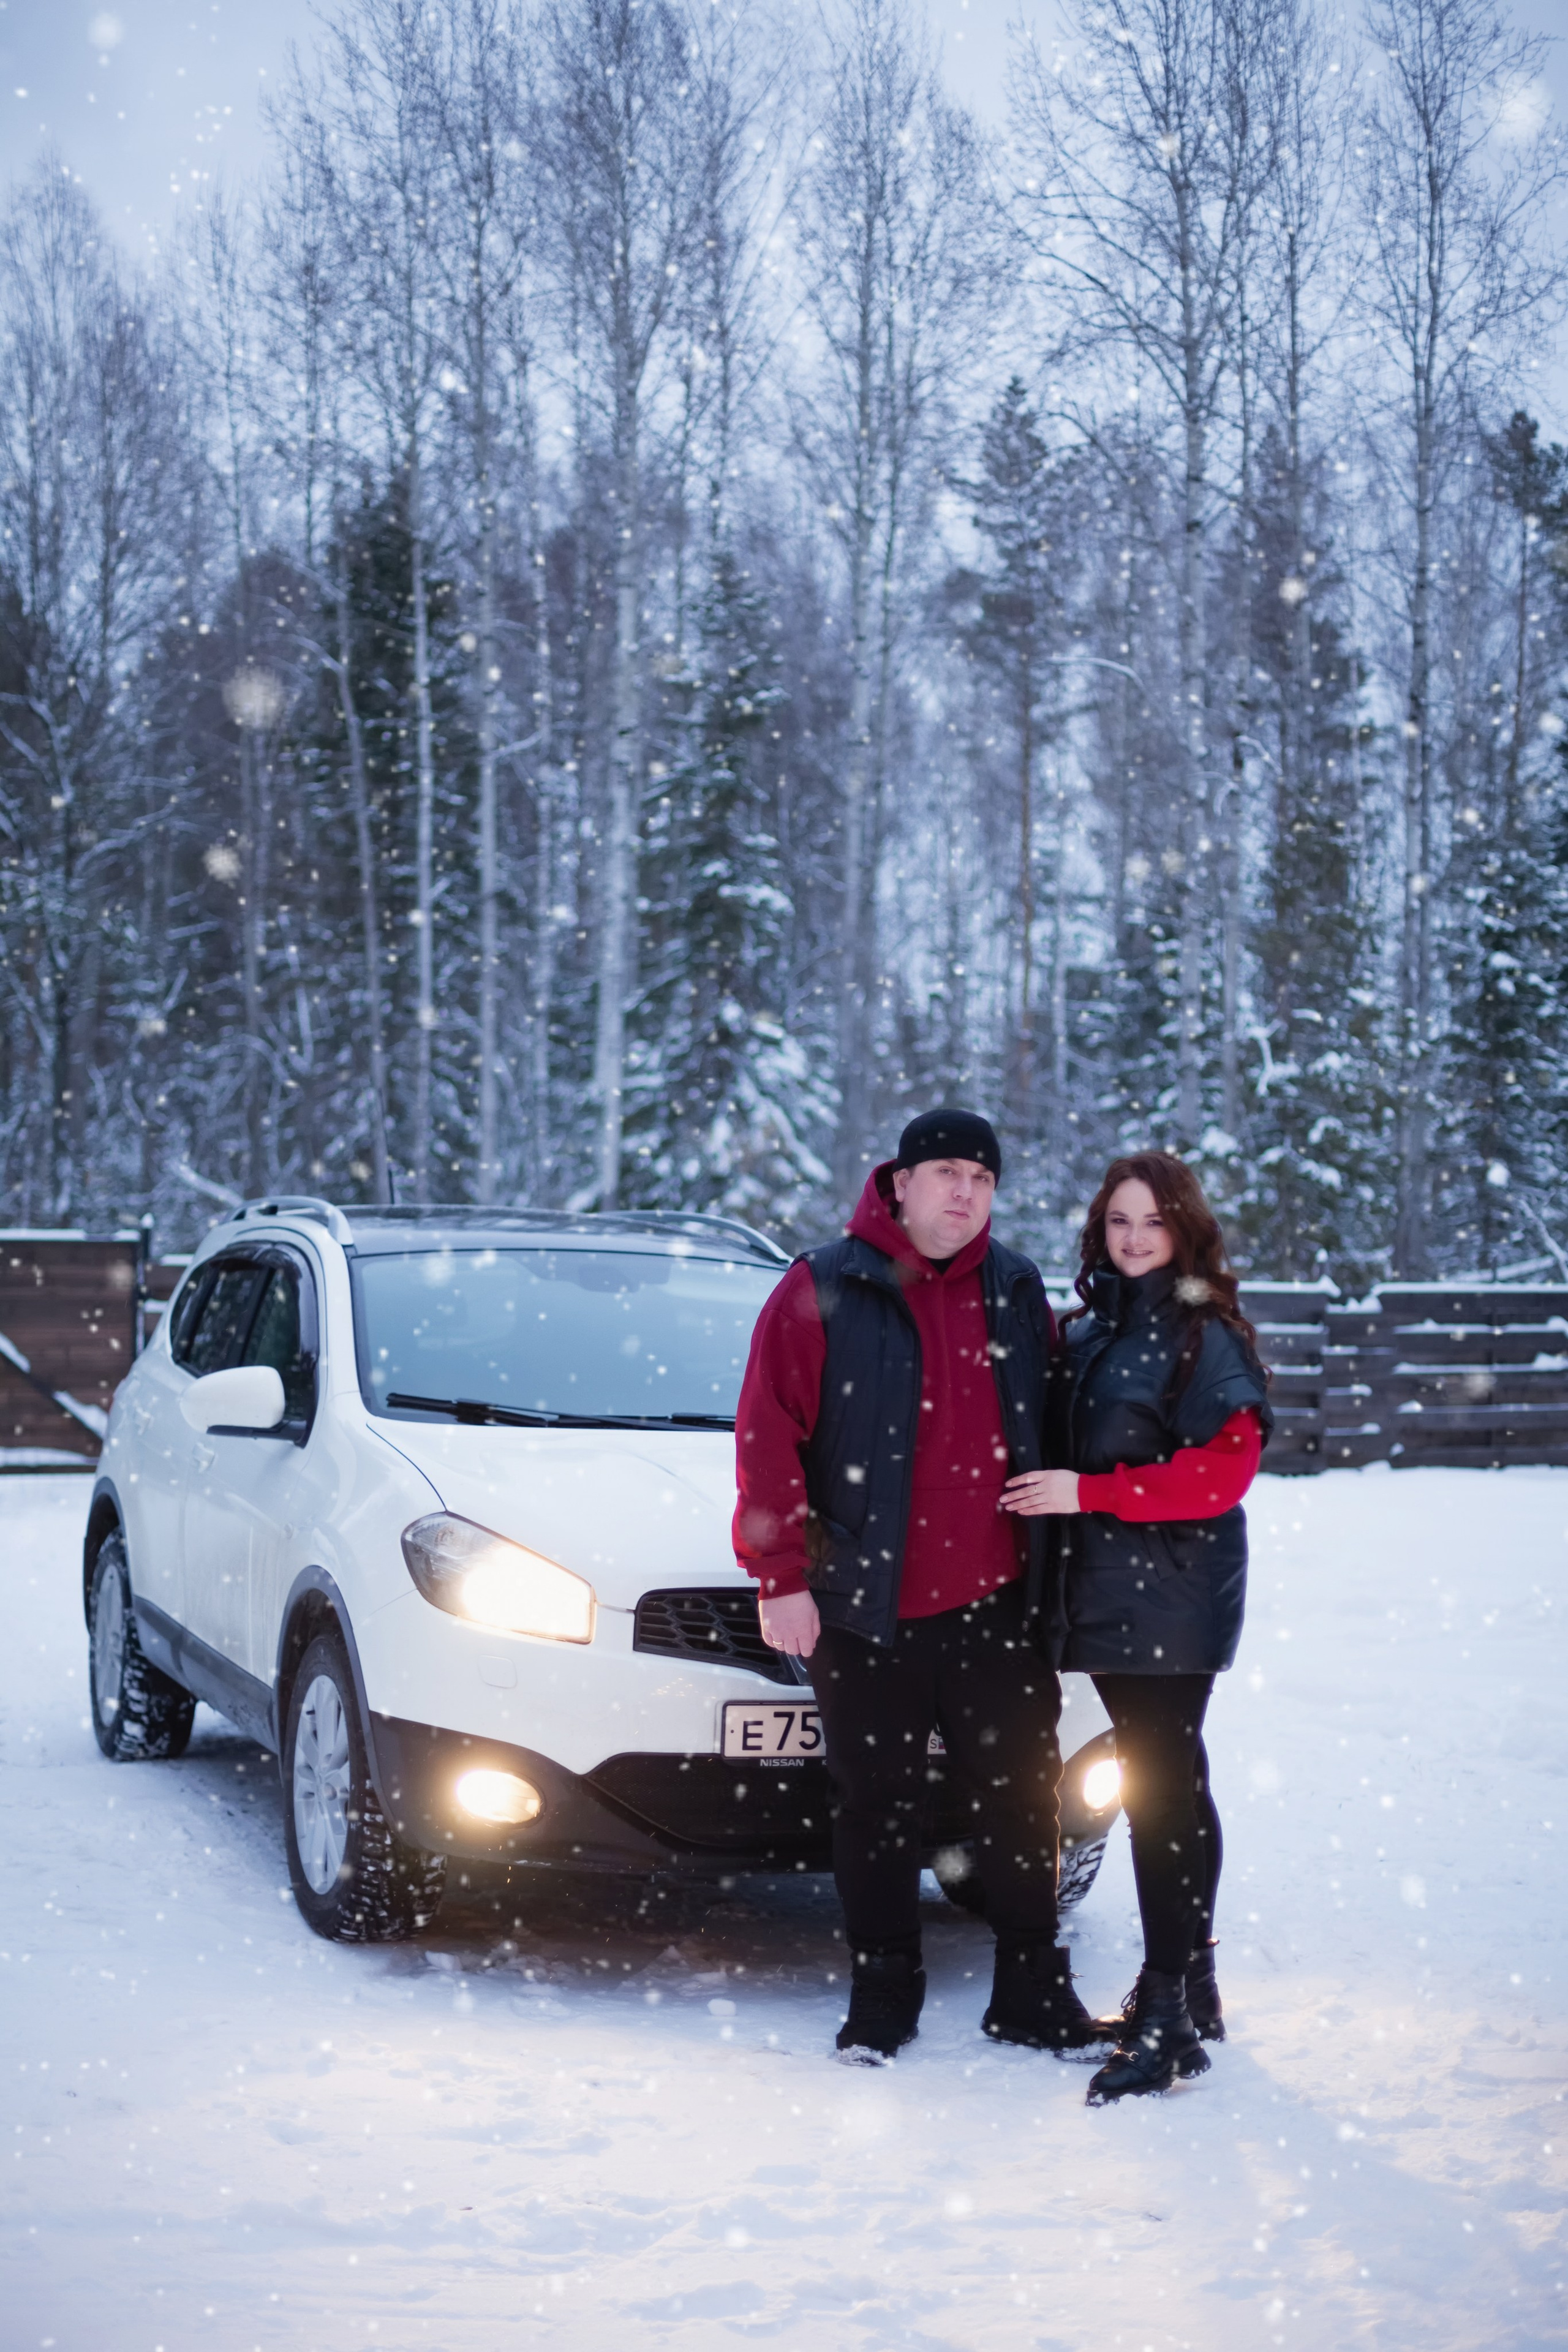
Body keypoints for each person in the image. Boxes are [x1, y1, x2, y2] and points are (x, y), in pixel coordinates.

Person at [733, 1109, 1117, 2065]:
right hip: (866, 1609)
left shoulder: (1014, 1287)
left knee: (1023, 1801)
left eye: (982, 1180)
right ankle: (883, 1992)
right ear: (899, 1182)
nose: (965, 1193)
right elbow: (768, 1435)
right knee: (876, 1806)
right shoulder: (822, 1285)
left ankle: (1031, 1991)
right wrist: (780, 1579)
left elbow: (1057, 1419)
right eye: (947, 1173)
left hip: (997, 1604)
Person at [1003, 1150, 1271, 2105]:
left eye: (1154, 1221)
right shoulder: (1090, 1331)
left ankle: (1165, 2019)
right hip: (1111, 1589)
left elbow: (1223, 1474)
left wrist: (1091, 1493)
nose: (1134, 1238)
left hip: (1173, 1592)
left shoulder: (1204, 1336)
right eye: (1119, 1221)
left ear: (1184, 1228)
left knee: (1159, 1790)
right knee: (1177, 1779)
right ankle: (1192, 1987)